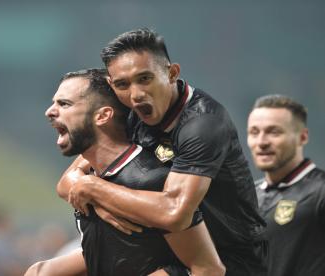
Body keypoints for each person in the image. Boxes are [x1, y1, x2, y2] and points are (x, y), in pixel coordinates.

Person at [59, 28, 267, 275]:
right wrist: (97, 197)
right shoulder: (129, 111)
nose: (136, 94)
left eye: (145, 78)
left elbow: (175, 212)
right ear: (111, 85)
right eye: (123, 84)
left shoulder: (202, 124)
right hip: (167, 251)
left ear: (171, 73)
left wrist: (94, 188)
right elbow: (68, 182)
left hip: (228, 261)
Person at [26, 69, 224, 276]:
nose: (49, 111)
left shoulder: (150, 180)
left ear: (102, 116)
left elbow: (209, 269)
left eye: (64, 104)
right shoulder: (92, 174)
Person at [247, 94, 325, 276]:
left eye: (274, 132)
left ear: (302, 137)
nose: (262, 142)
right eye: (254, 132)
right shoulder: (246, 196)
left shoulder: (320, 191)